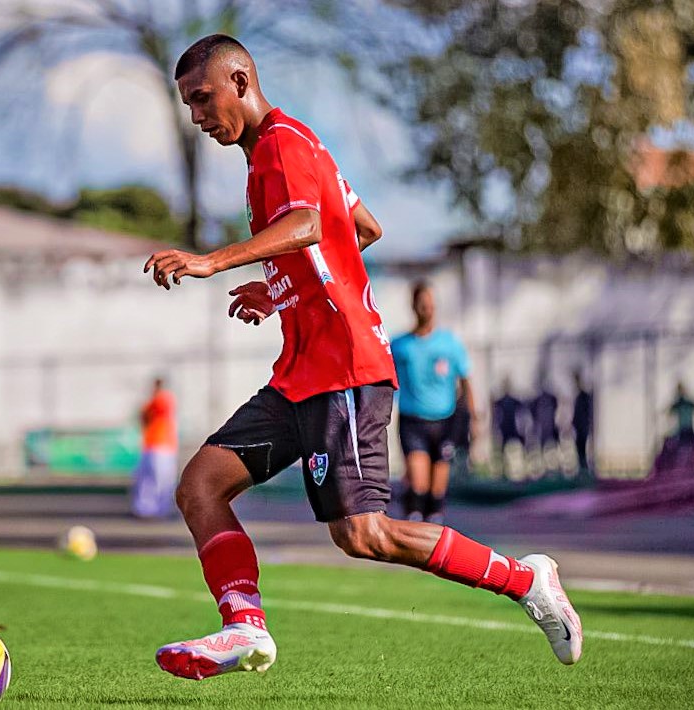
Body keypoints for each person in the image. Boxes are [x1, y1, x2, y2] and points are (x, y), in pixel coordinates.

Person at [143, 34, 582, 680]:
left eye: (203, 98)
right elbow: (364, 228)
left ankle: (526, 579)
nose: (197, 116)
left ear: (240, 82)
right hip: (300, 376)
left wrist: (214, 261)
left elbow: (307, 226)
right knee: (200, 486)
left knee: (364, 534)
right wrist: (282, 287)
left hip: (345, 370)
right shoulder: (290, 150)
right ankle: (244, 627)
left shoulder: (281, 144)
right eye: (188, 105)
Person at [390, 281, 475, 523]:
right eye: (422, 305)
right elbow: (387, 381)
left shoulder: (449, 343)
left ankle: (433, 532)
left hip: (445, 421)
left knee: (436, 493)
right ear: (414, 306)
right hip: (413, 421)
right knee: (419, 485)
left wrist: (473, 418)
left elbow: (466, 381)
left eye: (431, 305)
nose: (427, 310)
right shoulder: (400, 346)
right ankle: (412, 517)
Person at [131, 377, 179, 518]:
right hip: (153, 444)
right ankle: (145, 509)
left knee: (162, 479)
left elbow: (144, 415)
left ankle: (160, 509)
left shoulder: (163, 399)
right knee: (148, 479)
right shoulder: (154, 400)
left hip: (163, 445)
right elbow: (142, 416)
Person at [493, 377, 526, 456]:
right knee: (502, 449)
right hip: (505, 428)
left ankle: (524, 456)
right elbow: (496, 416)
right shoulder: (500, 401)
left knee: (521, 444)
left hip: (514, 427)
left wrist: (522, 427)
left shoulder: (514, 401)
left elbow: (522, 411)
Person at [571, 371, 594, 473]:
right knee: (579, 452)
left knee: (584, 453)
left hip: (584, 430)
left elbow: (588, 414)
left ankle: (585, 471)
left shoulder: (584, 397)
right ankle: (582, 470)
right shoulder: (577, 397)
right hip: (579, 430)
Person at [668, 382, 694, 446]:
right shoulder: (679, 403)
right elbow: (670, 410)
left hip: (689, 428)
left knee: (690, 444)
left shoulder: (687, 402)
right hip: (682, 429)